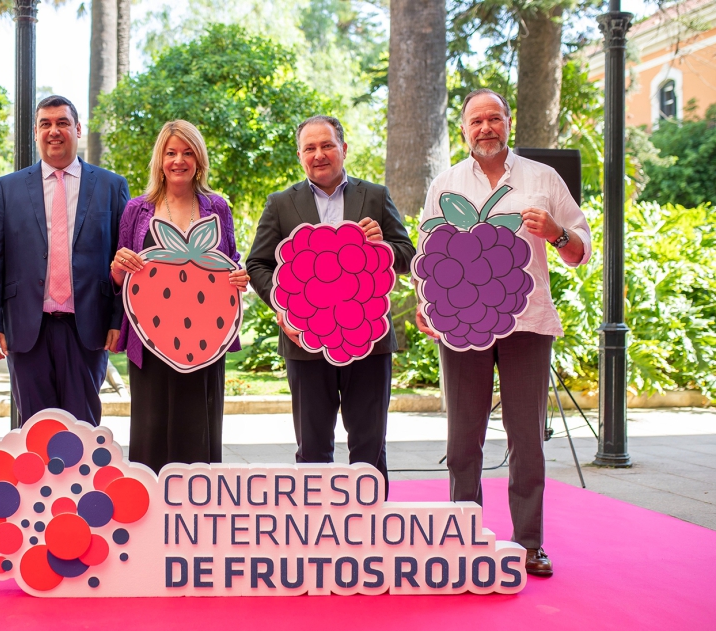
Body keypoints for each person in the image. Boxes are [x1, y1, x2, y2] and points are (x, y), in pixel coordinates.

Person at [416, 88, 592, 578]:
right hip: (461, 327)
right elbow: (430, 256)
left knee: (527, 439)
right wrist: (426, 306)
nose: (486, 127)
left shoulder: (543, 179)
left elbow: (580, 250)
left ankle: (530, 543)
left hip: (528, 323)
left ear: (508, 123)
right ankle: (461, 536)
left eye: (494, 118)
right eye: (477, 121)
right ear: (464, 129)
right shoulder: (445, 184)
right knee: (461, 439)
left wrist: (557, 232)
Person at [246, 115, 415, 493]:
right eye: (310, 148)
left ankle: (372, 528)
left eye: (327, 145)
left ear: (343, 149)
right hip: (304, 344)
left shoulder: (374, 195)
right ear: (300, 155)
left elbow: (406, 254)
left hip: (368, 343)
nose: (319, 154)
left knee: (370, 447)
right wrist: (283, 307)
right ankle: (316, 534)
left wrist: (382, 247)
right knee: (312, 450)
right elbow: (257, 263)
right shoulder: (280, 204)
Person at [0, 95, 130, 426]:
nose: (54, 131)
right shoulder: (9, 188)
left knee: (83, 429)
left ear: (77, 128)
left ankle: (82, 481)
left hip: (87, 327)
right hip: (27, 328)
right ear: (35, 133)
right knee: (34, 430)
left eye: (62, 122)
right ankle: (35, 482)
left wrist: (119, 321)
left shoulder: (111, 186)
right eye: (45, 124)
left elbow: (124, 257)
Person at [110, 120, 249, 474]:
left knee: (198, 434)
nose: (179, 160)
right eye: (171, 153)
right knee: (151, 432)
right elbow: (119, 277)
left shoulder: (217, 207)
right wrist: (117, 268)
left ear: (199, 159)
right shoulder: (136, 210)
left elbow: (229, 263)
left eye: (187, 152)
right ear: (160, 160)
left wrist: (239, 276)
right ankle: (152, 518)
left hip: (206, 340)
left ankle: (199, 516)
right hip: (149, 339)